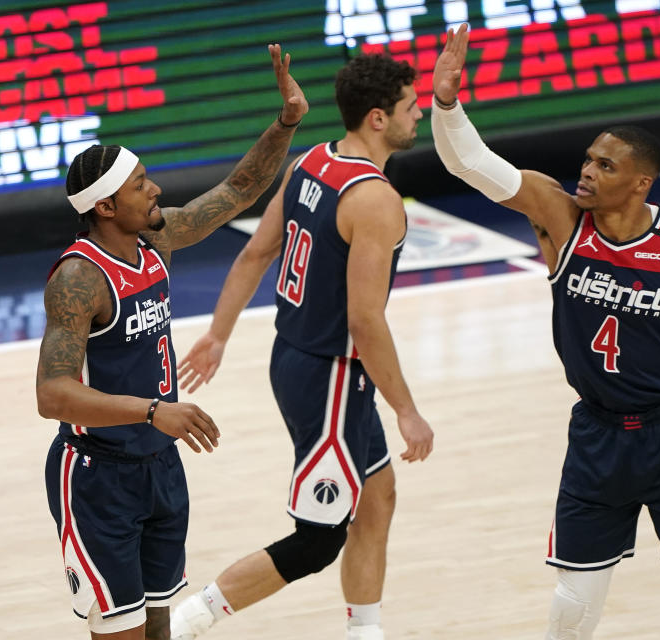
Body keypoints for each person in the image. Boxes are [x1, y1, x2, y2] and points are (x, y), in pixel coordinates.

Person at [430, 25, 660, 639]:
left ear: (640, 182)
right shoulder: (560, 216)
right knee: (574, 599)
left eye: (606, 165)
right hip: (599, 432)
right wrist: (446, 103)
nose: (588, 172)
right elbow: (472, 163)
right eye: (588, 160)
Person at [36, 44, 308, 640]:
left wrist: (285, 123)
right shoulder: (79, 279)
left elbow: (238, 190)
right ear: (106, 206)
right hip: (98, 476)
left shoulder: (156, 241)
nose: (155, 189)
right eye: (140, 185)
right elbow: (53, 395)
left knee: (161, 627)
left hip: (159, 465)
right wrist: (155, 411)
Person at [168, 53, 434, 640]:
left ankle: (365, 631)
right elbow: (365, 322)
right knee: (317, 541)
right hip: (333, 378)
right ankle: (188, 621)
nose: (421, 116)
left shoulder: (313, 162)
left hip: (293, 359)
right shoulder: (376, 199)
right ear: (377, 119)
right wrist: (407, 411)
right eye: (412, 107)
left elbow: (254, 253)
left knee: (379, 493)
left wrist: (218, 333)